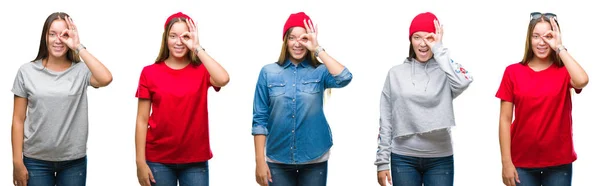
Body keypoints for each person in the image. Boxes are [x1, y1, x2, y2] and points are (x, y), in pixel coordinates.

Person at [11, 12, 113, 186]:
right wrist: (17, 162)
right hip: (36, 161)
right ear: (45, 37)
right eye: (52, 34)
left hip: (73, 161)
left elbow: (106, 78)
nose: (58, 40)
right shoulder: (26, 71)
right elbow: (18, 119)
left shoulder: (81, 70)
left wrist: (78, 46)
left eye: (64, 34)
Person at [251, 12, 353, 186]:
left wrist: (318, 49)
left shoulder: (320, 71)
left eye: (303, 38)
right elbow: (259, 119)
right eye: (292, 38)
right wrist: (260, 161)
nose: (298, 43)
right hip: (277, 158)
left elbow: (344, 77)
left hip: (314, 156)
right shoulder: (268, 72)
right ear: (285, 41)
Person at [374, 12, 473, 186]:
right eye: (417, 37)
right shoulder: (395, 73)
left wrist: (439, 49)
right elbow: (386, 119)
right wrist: (382, 161)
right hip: (403, 157)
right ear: (410, 40)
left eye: (429, 38)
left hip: (440, 158)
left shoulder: (446, 71)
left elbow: (464, 81)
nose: (422, 43)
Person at [134, 12, 230, 186]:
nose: (179, 42)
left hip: (195, 160)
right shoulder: (149, 72)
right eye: (173, 36)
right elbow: (141, 120)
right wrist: (140, 162)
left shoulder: (202, 70)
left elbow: (223, 79)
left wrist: (197, 47)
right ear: (166, 39)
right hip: (158, 160)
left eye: (185, 36)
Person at [496, 12, 588, 186]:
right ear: (529, 39)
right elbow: (505, 119)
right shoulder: (512, 72)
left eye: (548, 36)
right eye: (536, 36)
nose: (541, 42)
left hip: (559, 163)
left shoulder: (564, 71)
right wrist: (506, 162)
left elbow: (582, 80)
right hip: (521, 162)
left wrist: (559, 47)